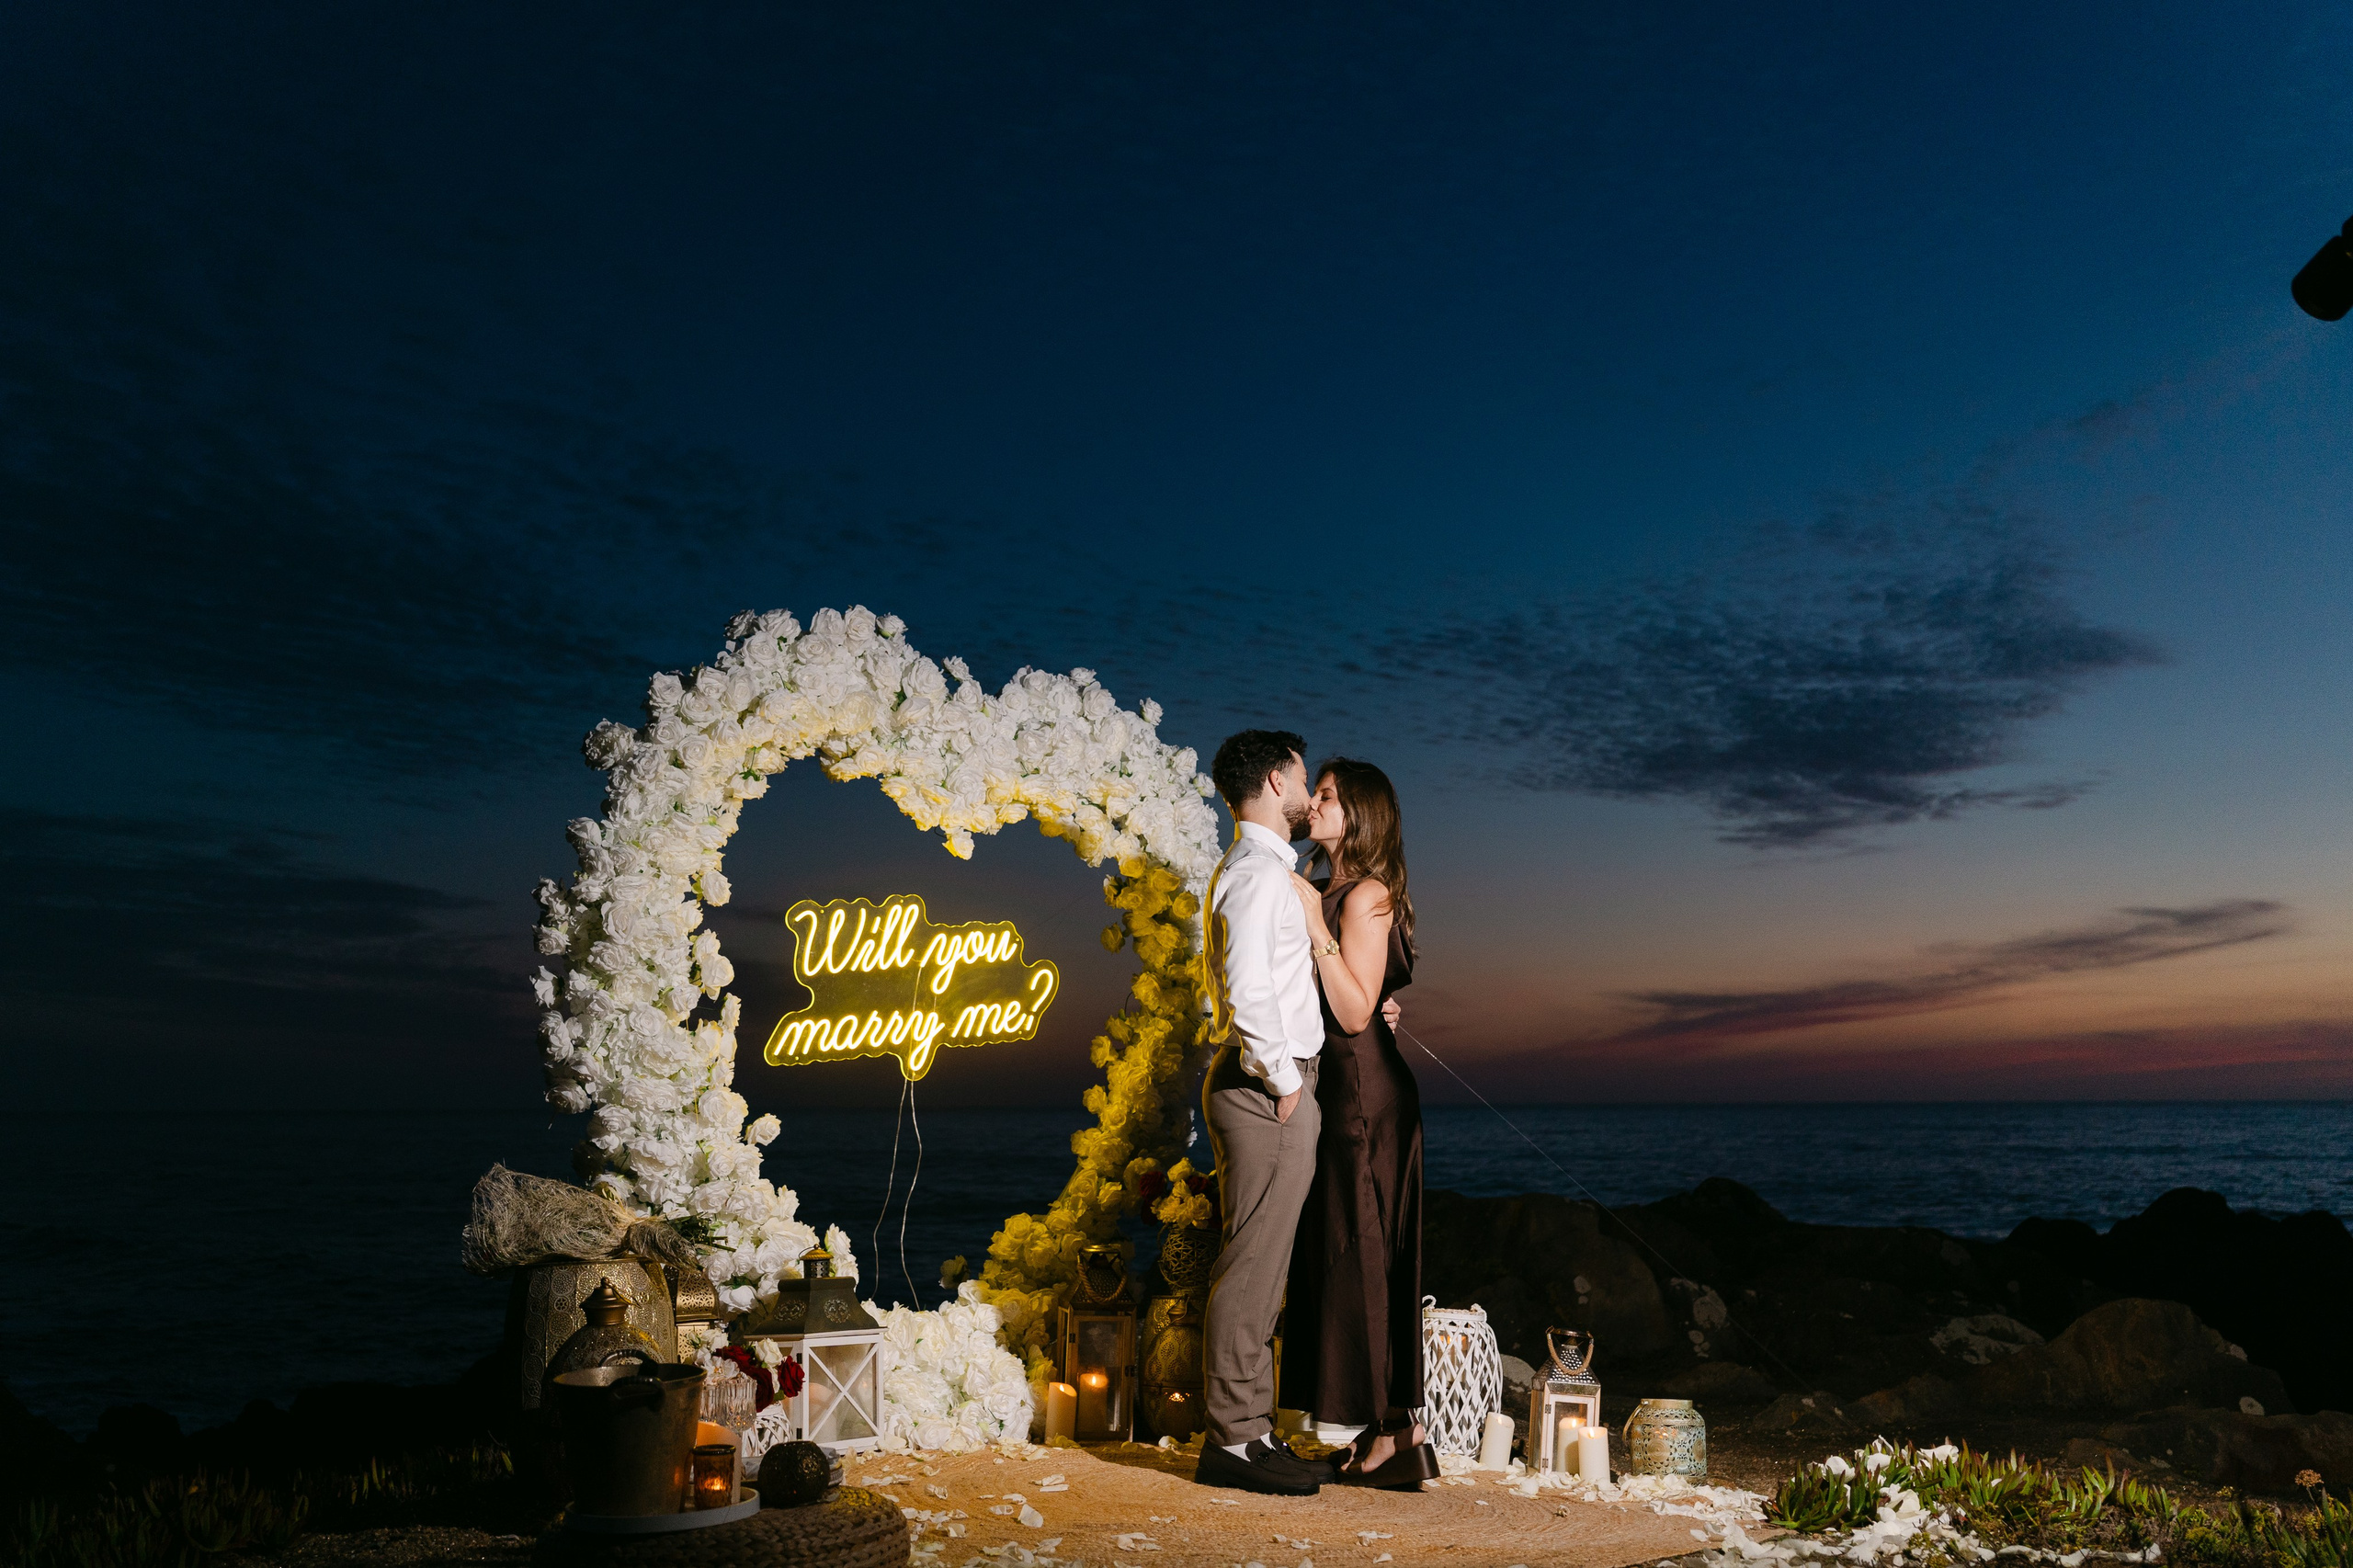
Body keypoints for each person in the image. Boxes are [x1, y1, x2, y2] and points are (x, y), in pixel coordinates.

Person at [1279, 756, 1434, 1488]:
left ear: (1360, 812)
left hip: (1366, 1100)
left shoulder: (1364, 893)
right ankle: (1387, 1431)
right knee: (1343, 1251)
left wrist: (1315, 924)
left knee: (1366, 1251)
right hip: (1334, 1090)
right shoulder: (1325, 887)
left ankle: (1394, 1434)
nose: (1316, 803)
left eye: (1330, 796)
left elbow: (1352, 1011)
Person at [1192, 728, 1335, 1496]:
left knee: (1264, 1269)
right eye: (1304, 777)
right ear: (1278, 781)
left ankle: (1251, 1429)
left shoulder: (1264, 869)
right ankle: (1234, 1442)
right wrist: (1285, 1081)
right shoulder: (1255, 874)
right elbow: (1249, 991)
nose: (1310, 791)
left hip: (1267, 1084)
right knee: (1251, 1269)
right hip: (1263, 1090)